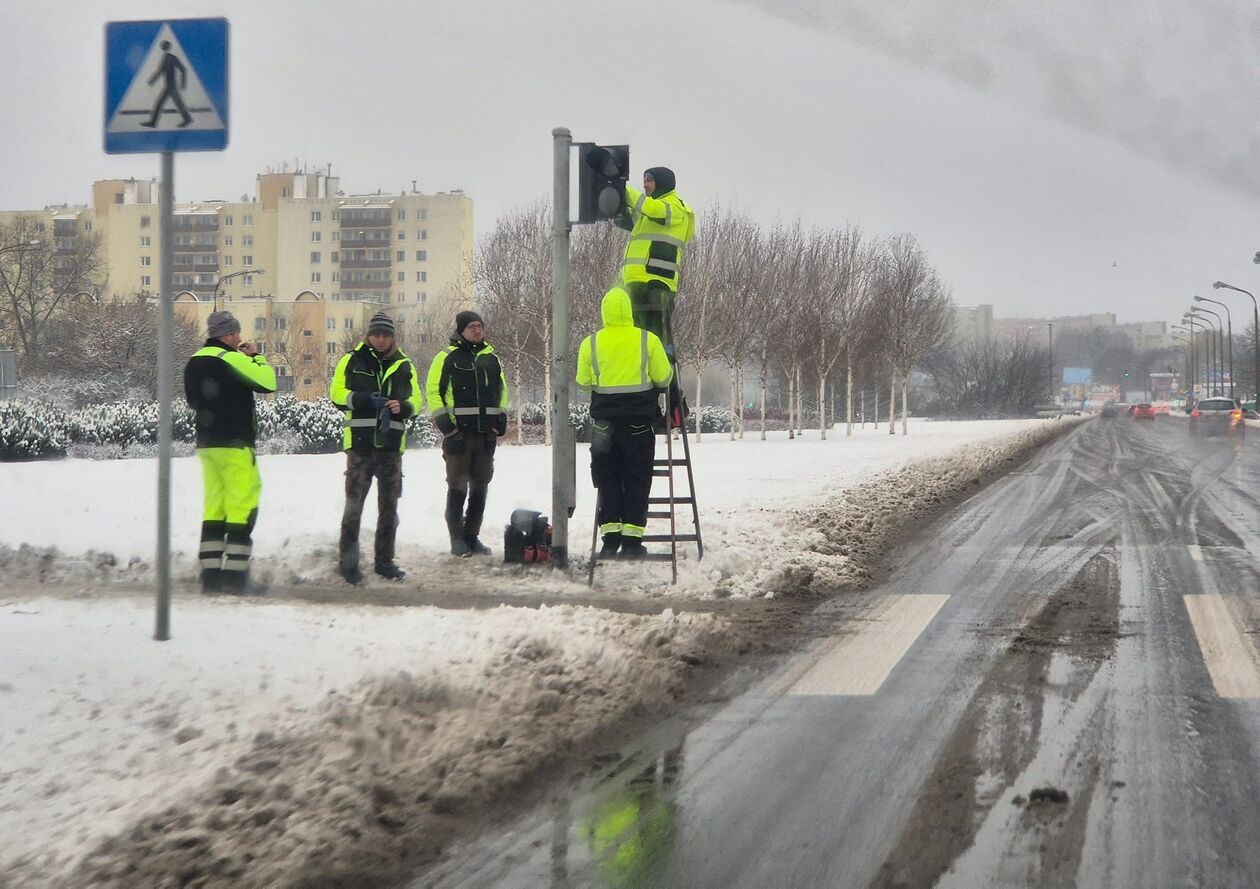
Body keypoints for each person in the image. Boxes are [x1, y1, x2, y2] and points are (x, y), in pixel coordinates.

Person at [576, 286, 673, 560]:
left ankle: (610, 539)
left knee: (606, 478)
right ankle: (632, 541)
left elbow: (583, 381)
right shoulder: (647, 340)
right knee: (637, 478)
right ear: (629, 310)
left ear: (603, 311)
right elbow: (664, 379)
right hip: (638, 424)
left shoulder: (590, 343)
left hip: (604, 426)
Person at [183, 309, 276, 593]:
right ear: (227, 335)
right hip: (236, 443)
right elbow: (267, 382)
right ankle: (236, 578)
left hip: (207, 444)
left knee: (215, 506)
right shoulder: (231, 358)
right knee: (240, 504)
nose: (239, 338)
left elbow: (192, 400)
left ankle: (210, 577)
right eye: (236, 333)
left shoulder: (194, 362)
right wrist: (255, 357)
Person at [329, 312, 422, 584]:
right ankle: (348, 563)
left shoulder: (405, 365)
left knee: (389, 508)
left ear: (393, 337)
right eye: (376, 335)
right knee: (353, 506)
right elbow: (336, 394)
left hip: (391, 446)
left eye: (385, 335)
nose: (380, 340)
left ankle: (385, 561)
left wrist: (402, 406)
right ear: (368, 336)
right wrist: (363, 399)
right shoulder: (351, 360)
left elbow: (417, 400)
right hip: (360, 446)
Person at [426, 311, 509, 556]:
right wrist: (448, 428)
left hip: (485, 436)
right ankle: (457, 540)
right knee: (457, 488)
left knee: (480, 488)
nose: (477, 330)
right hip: (458, 436)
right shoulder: (446, 357)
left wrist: (499, 422)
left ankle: (472, 536)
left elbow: (501, 391)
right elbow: (433, 392)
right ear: (461, 329)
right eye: (472, 326)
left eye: (480, 326)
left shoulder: (491, 358)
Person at [618, 166, 695, 425]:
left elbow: (650, 210)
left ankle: (675, 406)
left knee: (658, 348)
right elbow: (633, 217)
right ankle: (653, 406)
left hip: (657, 287)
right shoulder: (652, 210)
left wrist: (620, 188)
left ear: (662, 182)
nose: (645, 185)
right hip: (639, 287)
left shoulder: (674, 207)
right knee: (643, 350)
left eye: (649, 180)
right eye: (644, 181)